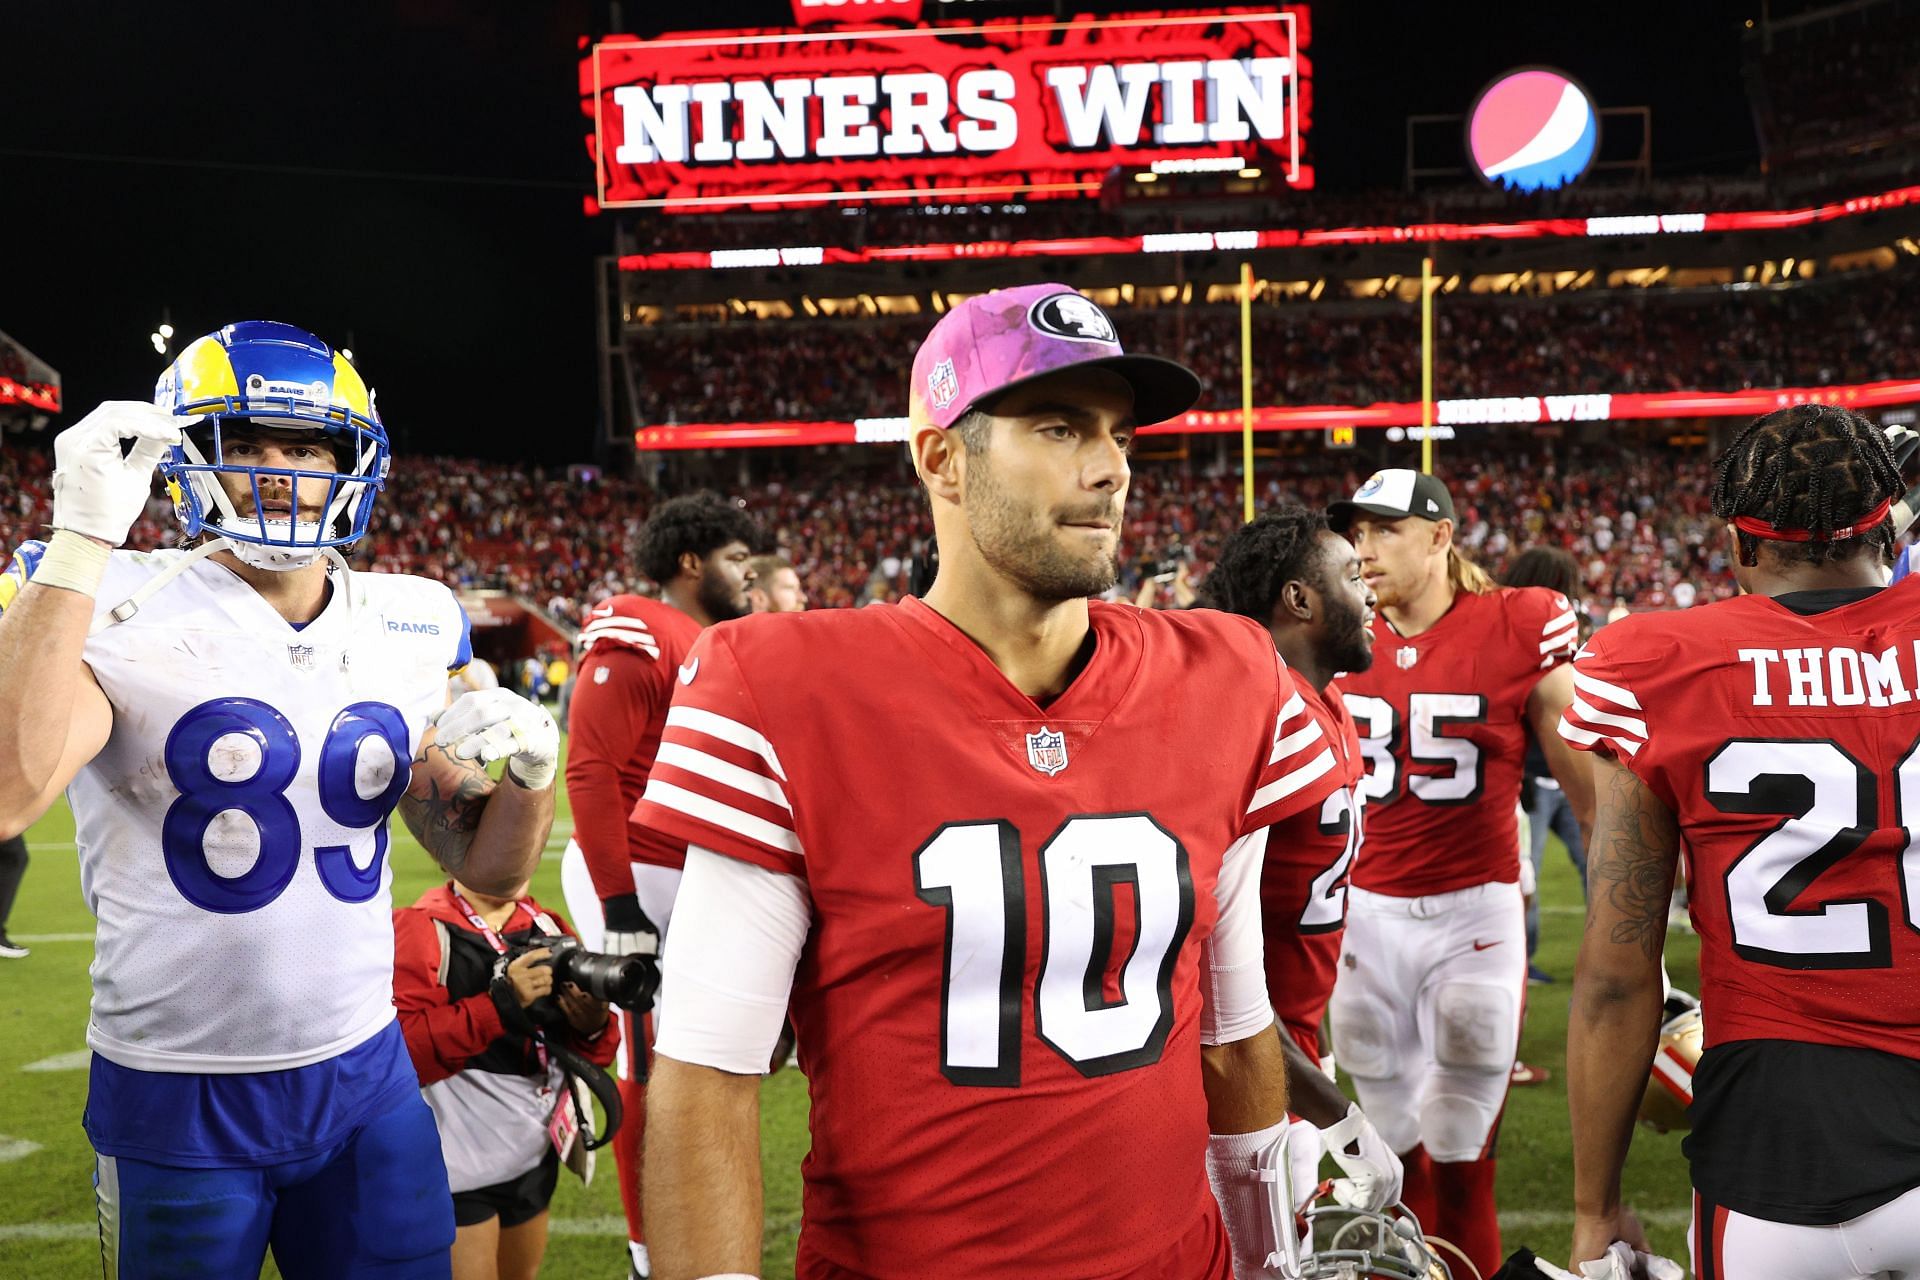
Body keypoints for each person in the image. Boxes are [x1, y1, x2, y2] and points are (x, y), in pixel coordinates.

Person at [637, 282, 1349, 1280]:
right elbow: (707, 1071)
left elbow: (1233, 1029)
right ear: (942, 459)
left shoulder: (1226, 672)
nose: (1109, 469)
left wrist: (1269, 1254)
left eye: (1119, 436)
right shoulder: (784, 686)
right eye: (1059, 427)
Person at [0, 322, 560, 1280]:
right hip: (176, 1085)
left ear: (348, 463)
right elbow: (9, 793)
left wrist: (531, 775)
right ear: (183, 460)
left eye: (302, 448)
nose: (274, 471)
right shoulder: (110, 599)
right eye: (245, 443)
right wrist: (81, 538)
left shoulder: (412, 615)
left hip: (366, 1071)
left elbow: (486, 865)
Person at [1563, 404, 1920, 1279]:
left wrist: (1594, 1207)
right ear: (1890, 519)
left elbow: (1617, 973)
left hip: (1774, 1141)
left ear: (1738, 544)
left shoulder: (1657, 660)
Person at [1324, 468, 1594, 1278]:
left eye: (1385, 531)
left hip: (1473, 917)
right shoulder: (1335, 632)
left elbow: (1585, 785)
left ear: (1441, 535)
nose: (1363, 551)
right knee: (1389, 1156)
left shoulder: (1521, 623)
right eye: (1357, 533)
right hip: (1362, 915)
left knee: (1463, 1152)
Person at [558, 491, 756, 1280]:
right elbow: (592, 765)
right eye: (735, 559)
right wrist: (618, 901)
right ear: (690, 561)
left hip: (689, 872)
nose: (747, 576)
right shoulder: (641, 626)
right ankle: (649, 1254)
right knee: (650, 1065)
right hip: (639, 870)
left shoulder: (706, 637)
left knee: (699, 1064)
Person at [1201, 507, 1405, 1216]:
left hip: (1291, 1046)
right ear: (1299, 599)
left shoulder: (1328, 701)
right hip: (1243, 1069)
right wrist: (1336, 1113)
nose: (1371, 591)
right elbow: (1214, 969)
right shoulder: (1262, 716)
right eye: (1353, 575)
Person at [393, 874, 620, 1280]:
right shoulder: (421, 929)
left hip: (533, 1152)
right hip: (458, 1162)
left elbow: (591, 1054)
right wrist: (497, 1007)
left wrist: (595, 1026)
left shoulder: (547, 926)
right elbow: (404, 1055)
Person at [1501, 547, 1592, 983]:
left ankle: (1603, 959)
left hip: (1551, 775)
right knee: (1530, 878)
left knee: (1593, 867)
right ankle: (1521, 964)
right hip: (1538, 778)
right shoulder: (1523, 634)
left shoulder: (1517, 632)